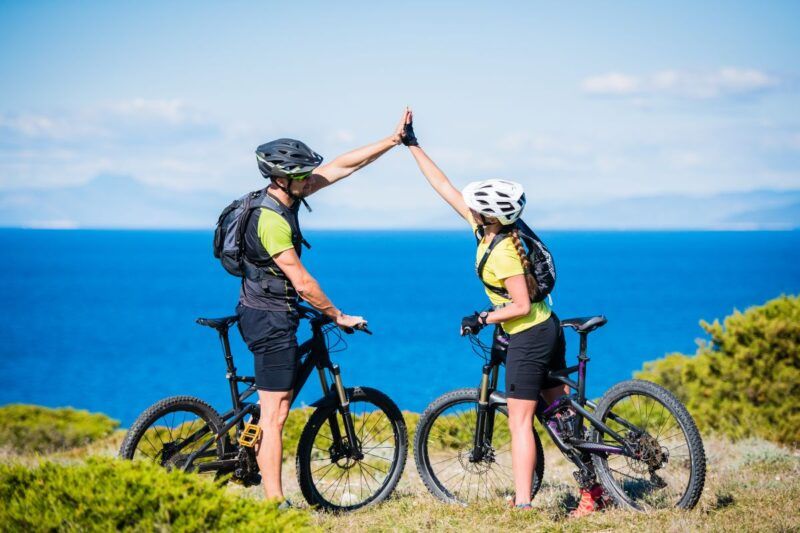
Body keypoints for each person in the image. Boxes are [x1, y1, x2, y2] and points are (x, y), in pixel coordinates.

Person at [401, 111, 605, 516]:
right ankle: (594, 491)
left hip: (529, 334)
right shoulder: (497, 231)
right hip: (546, 327)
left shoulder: (507, 254)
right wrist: (413, 146)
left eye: (477, 207)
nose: (470, 209)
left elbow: (520, 305)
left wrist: (482, 318)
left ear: (490, 215)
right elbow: (446, 188)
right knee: (561, 417)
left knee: (519, 421)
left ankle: (525, 504)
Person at [238, 109, 410, 507]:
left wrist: (391, 141)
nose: (308, 180)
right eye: (300, 175)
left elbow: (339, 167)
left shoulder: (284, 196)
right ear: (281, 177)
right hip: (270, 318)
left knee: (271, 405)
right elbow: (301, 281)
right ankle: (275, 502)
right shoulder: (272, 219)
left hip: (267, 309)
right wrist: (338, 315)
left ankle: (257, 466)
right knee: (275, 414)